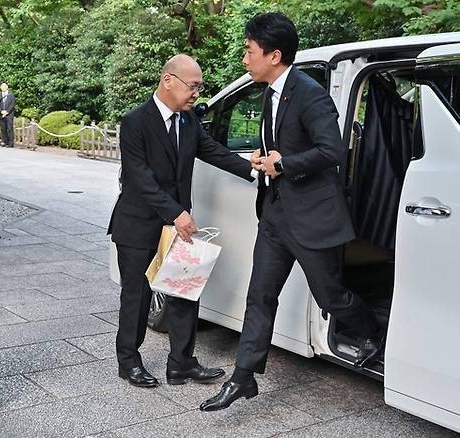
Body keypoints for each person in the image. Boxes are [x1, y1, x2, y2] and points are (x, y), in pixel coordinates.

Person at [199, 13, 382, 412]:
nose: (245, 59)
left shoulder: (310, 93)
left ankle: (371, 332)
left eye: (249, 51)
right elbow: (283, 144)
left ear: (274, 55)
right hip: (276, 216)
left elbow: (332, 150)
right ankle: (243, 378)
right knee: (260, 297)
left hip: (312, 218)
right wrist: (266, 159)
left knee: (331, 296)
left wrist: (283, 164)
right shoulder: (268, 93)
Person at [108, 54, 256, 388]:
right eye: (193, 87)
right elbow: (140, 178)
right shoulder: (136, 121)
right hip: (138, 224)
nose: (196, 95)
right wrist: (176, 213)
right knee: (137, 295)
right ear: (168, 80)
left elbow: (213, 151)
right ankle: (128, 362)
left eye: (199, 88)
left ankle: (182, 363)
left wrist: (252, 168)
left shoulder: (189, 122)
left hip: (176, 226)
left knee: (184, 291)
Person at [0, 82, 15, 147]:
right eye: (2, 86)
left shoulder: (11, 95)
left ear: (7, 87)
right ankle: (5, 141)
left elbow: (12, 105)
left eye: (4, 86)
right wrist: (1, 111)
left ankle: (10, 143)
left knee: (9, 128)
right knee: (3, 128)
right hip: (1, 114)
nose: (3, 88)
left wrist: (7, 112)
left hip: (9, 114)